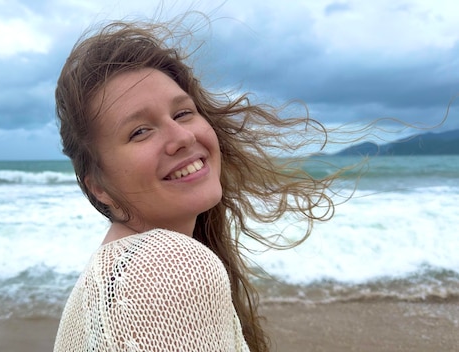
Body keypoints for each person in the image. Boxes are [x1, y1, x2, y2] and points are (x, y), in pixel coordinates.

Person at [53, 15, 343, 352]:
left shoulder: (108, 278)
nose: (183, 136)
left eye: (182, 113)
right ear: (98, 187)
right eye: (140, 131)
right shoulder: (167, 267)